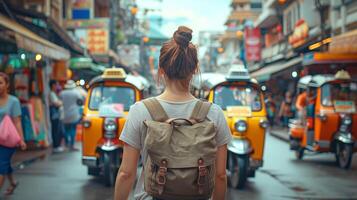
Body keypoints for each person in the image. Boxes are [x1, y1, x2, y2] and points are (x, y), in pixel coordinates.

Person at [114, 26, 232, 200]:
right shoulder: (214, 113)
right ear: (194, 69)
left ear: (161, 69)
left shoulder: (139, 111)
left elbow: (126, 173)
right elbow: (221, 175)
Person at [0, 72, 26, 195]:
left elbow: (17, 122)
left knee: (1, 166)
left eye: (0, 83)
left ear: (7, 85)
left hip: (8, 140)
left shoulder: (13, 101)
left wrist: (21, 140)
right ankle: (13, 183)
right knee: (4, 164)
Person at [59, 80, 84, 151]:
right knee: (73, 129)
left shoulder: (62, 93)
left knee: (66, 129)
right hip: (74, 113)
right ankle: (72, 145)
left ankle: (67, 143)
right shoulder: (76, 93)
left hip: (65, 114)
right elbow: (80, 102)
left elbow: (60, 102)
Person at [49, 80, 64, 153]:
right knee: (56, 130)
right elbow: (57, 104)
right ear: (53, 85)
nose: (57, 86)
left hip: (56, 115)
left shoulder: (54, 94)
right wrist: (60, 103)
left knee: (57, 130)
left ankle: (57, 145)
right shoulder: (51, 94)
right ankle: (56, 146)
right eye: (56, 85)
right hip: (55, 115)